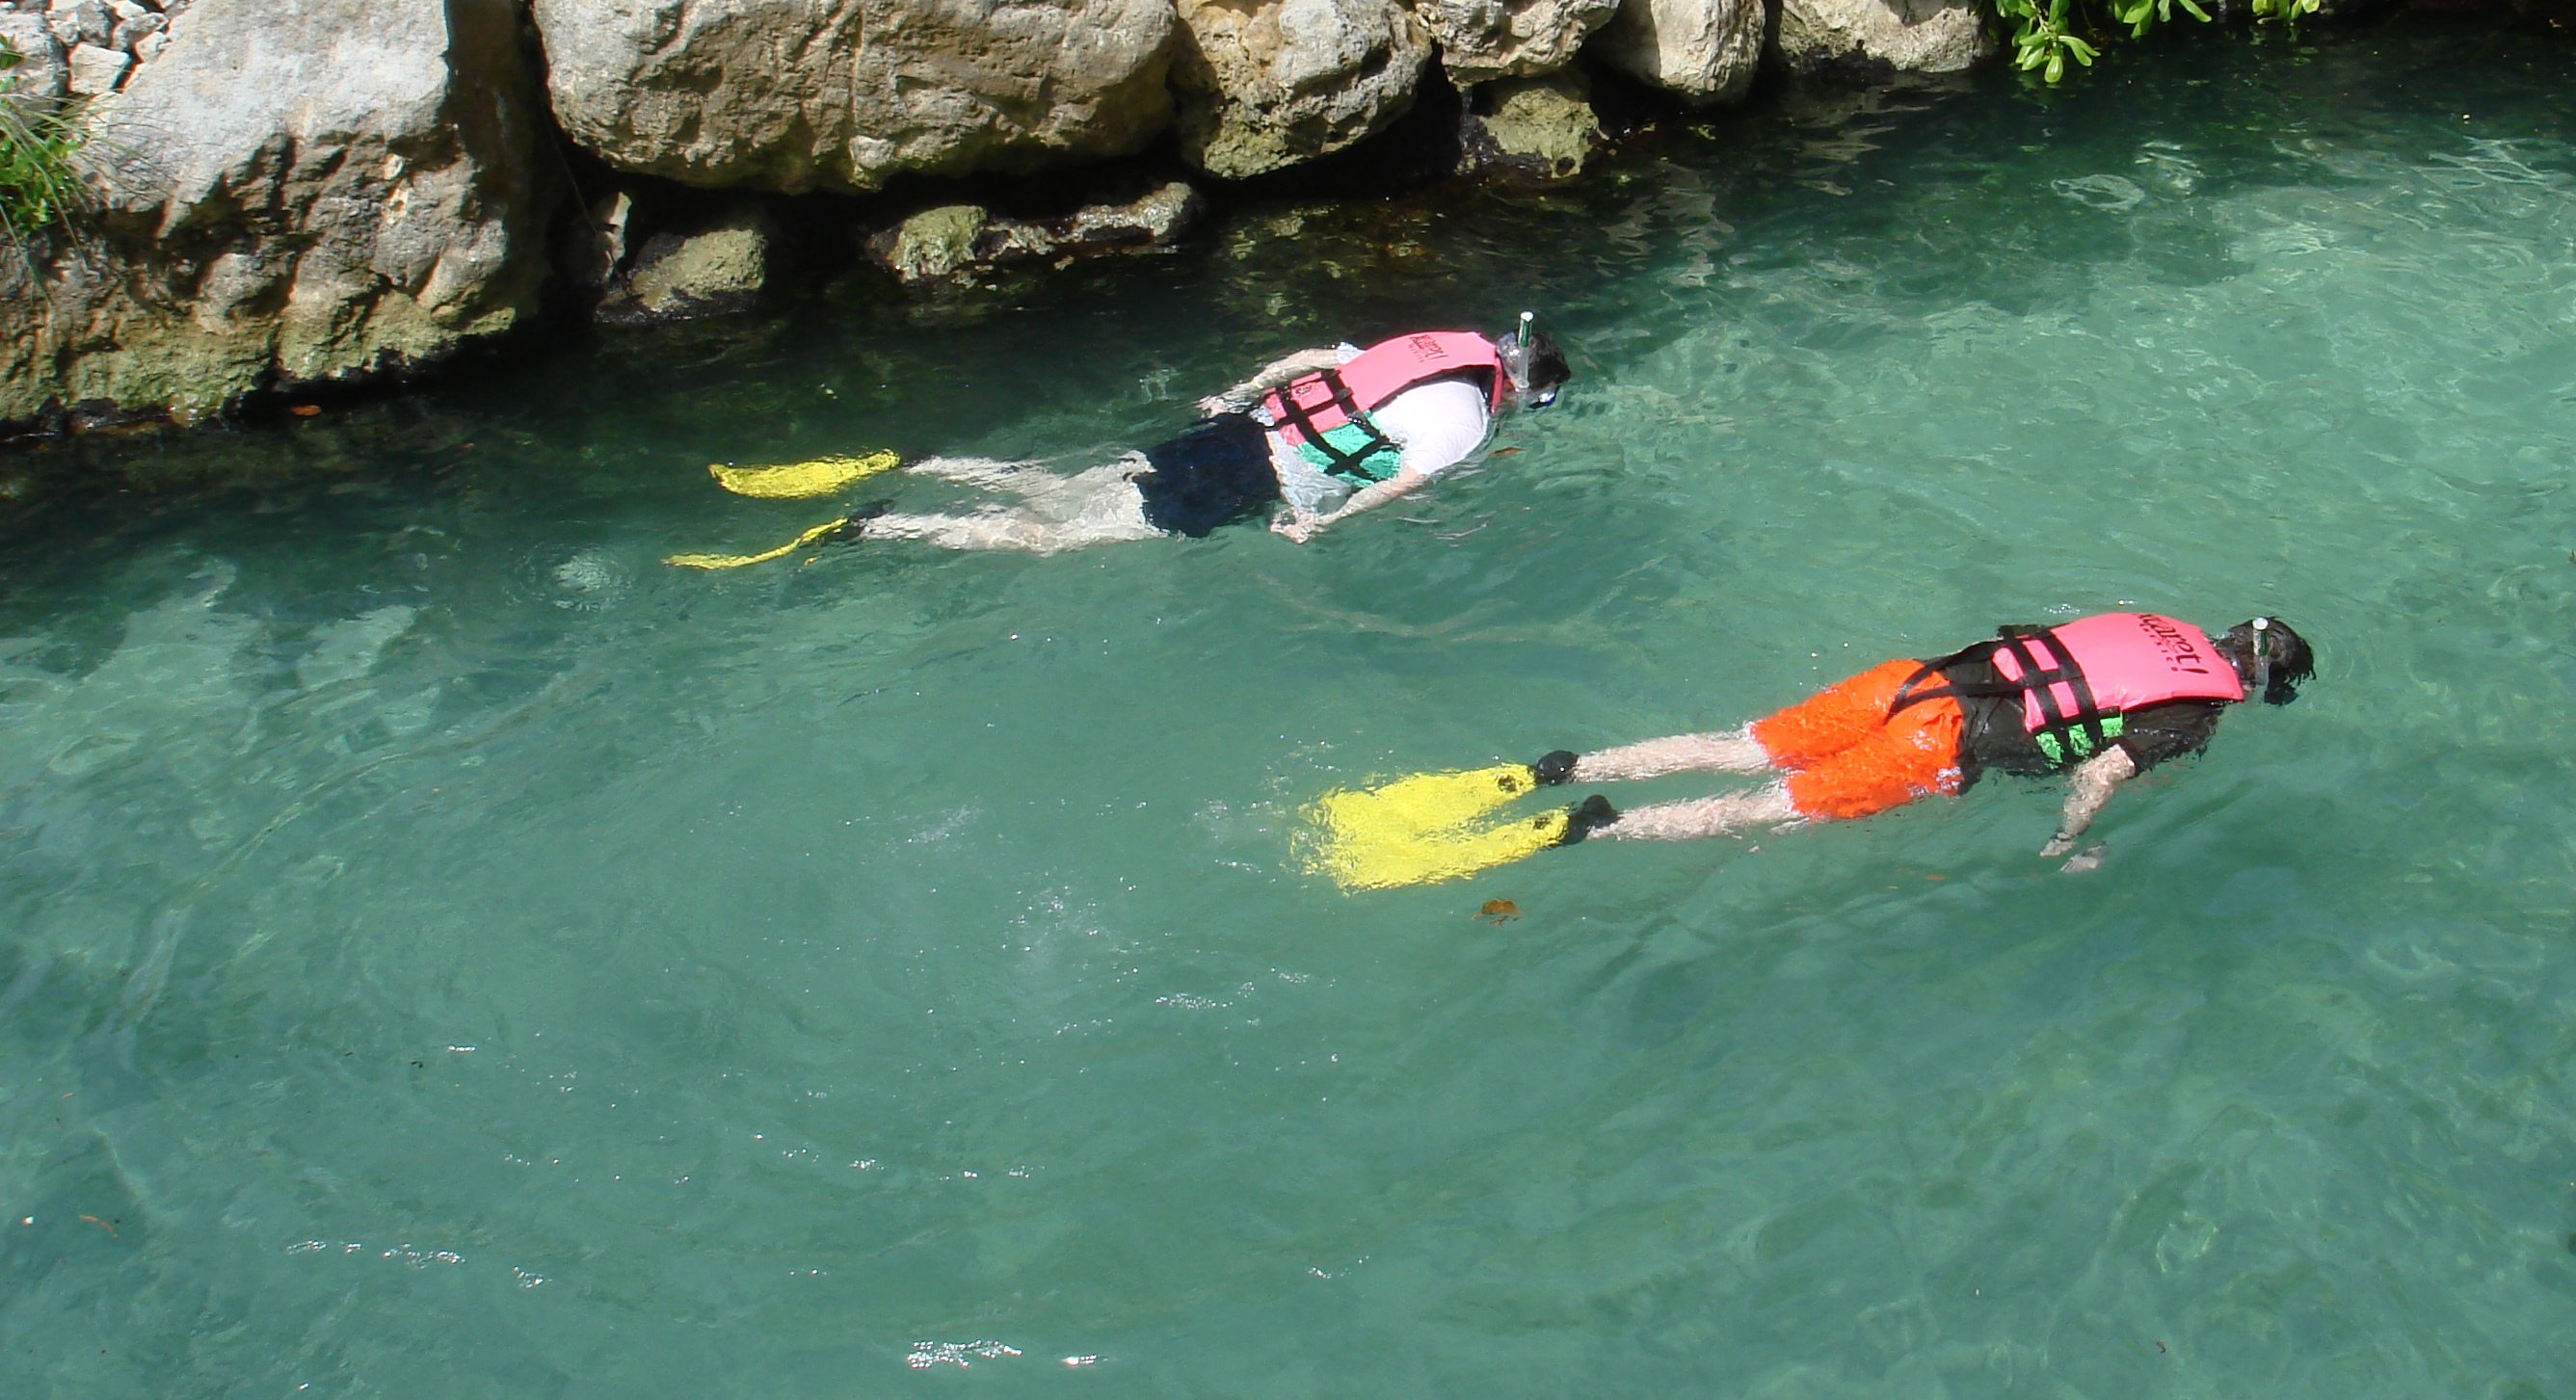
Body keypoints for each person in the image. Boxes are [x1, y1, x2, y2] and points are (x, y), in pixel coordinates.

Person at [1529, 611, 2314, 869]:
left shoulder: (2157, 625)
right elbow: (2100, 773)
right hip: (1935, 744)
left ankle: (1576, 765)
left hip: (1912, 681)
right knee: (1775, 806)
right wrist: (2068, 839)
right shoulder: (2193, 713)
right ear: (2254, 683)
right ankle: (1605, 827)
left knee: (1745, 748)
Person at [853, 319, 1572, 556]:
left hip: (1241, 426)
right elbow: (1405, 483)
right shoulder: (1466, 421)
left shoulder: (1431, 347)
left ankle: (933, 465)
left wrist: (1234, 394)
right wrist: (1325, 523)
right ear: (1518, 391)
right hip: (1258, 478)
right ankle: (890, 526)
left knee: (1073, 486)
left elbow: (1315, 358)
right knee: (1057, 539)